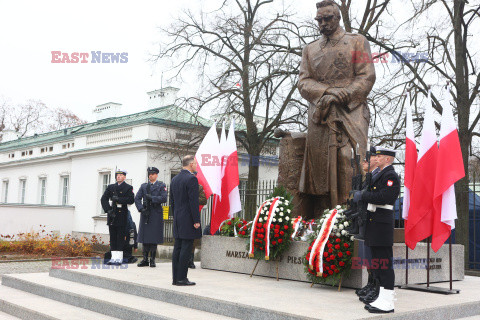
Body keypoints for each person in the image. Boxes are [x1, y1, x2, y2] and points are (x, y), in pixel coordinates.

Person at [298, 0, 376, 215]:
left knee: (349, 159)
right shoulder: (310, 49)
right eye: (319, 20)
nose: (323, 23)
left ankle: (351, 211)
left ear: (338, 17)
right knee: (320, 167)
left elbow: (367, 75)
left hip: (351, 109)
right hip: (321, 111)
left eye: (328, 18)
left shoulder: (358, 41)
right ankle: (324, 215)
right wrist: (327, 93)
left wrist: (345, 94)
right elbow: (303, 82)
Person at [353, 147, 400, 314]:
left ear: (388, 159)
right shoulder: (380, 174)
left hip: (381, 225)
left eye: (380, 156)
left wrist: (363, 196)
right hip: (375, 223)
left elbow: (385, 197)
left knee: (384, 264)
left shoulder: (390, 175)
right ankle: (382, 297)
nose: (376, 158)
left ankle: (388, 302)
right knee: (378, 264)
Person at [170, 155, 201, 286]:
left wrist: (175, 215)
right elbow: (193, 202)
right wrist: (196, 220)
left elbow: (172, 201)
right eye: (195, 163)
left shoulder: (175, 179)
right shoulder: (192, 179)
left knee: (177, 247)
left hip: (177, 218)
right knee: (186, 248)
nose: (196, 165)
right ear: (190, 164)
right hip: (188, 218)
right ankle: (182, 278)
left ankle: (175, 278)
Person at [135, 167, 168, 268]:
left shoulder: (161, 185)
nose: (151, 175)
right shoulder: (144, 186)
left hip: (156, 213)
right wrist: (141, 209)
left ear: (156, 175)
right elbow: (137, 198)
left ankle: (152, 260)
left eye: (153, 174)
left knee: (154, 237)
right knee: (145, 237)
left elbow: (164, 198)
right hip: (146, 213)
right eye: (149, 174)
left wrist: (152, 198)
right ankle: (145, 259)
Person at [100, 169, 135, 265]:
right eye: (117, 175)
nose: (118, 176)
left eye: (120, 175)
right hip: (112, 214)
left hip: (122, 215)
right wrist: (108, 210)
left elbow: (131, 200)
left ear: (124, 177)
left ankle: (118, 258)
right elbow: (103, 198)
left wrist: (119, 199)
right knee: (113, 237)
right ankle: (113, 258)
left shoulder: (128, 187)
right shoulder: (111, 187)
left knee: (120, 237)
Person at [189, 174, 208, 269]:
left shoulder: (199, 187)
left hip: (194, 215)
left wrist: (192, 199)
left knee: (193, 239)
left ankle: (190, 260)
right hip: (184, 215)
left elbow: (204, 200)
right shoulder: (184, 185)